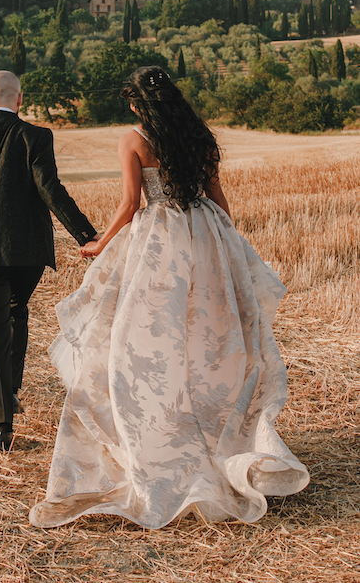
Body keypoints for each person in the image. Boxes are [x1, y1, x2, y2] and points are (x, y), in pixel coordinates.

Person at [30, 66, 309, 528]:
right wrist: (231, 248)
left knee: (139, 344)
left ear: (140, 105)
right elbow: (218, 200)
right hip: (208, 236)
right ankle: (210, 433)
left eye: (133, 103)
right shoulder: (199, 136)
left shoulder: (134, 140)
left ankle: (155, 437)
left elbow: (129, 206)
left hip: (160, 242)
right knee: (209, 343)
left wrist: (100, 244)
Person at [0, 70, 97, 451]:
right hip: (29, 253)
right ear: (20, 100)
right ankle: (10, 390)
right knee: (17, 311)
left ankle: (2, 426)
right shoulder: (36, 136)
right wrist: (87, 235)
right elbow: (50, 190)